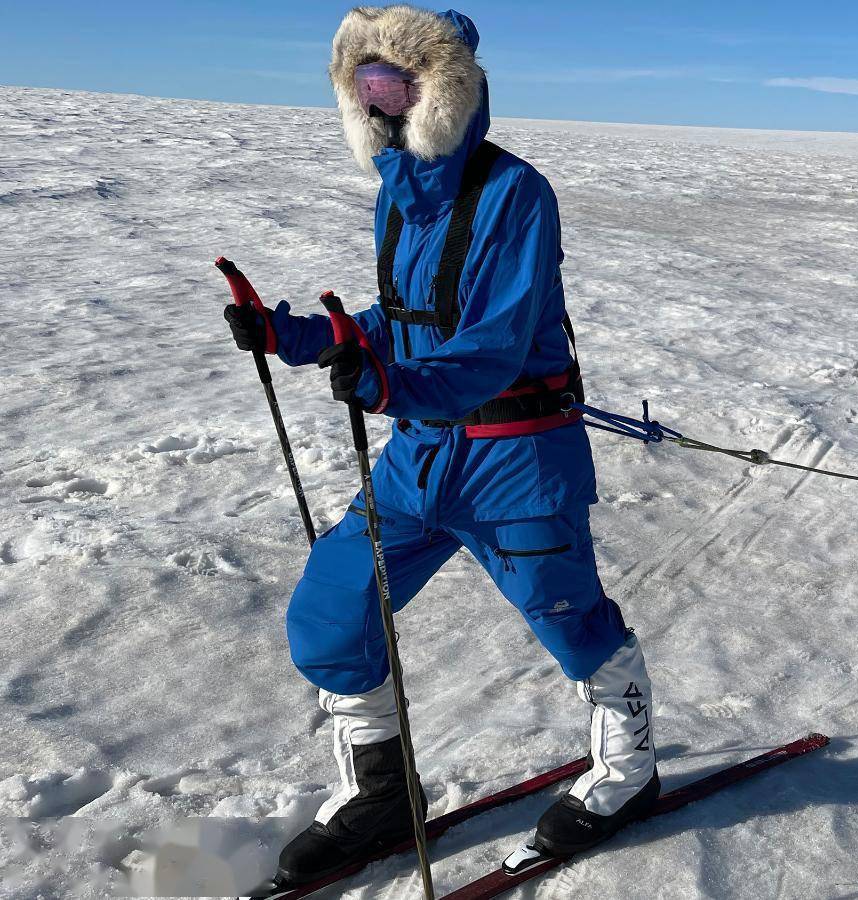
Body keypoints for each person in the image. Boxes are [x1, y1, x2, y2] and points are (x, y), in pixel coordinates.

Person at [224, 5, 658, 888]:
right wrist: (302, 337)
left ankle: (629, 772)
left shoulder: (516, 193)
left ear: (444, 93)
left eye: (398, 84)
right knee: (331, 611)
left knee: (574, 626)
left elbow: (495, 341)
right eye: (366, 86)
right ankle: (382, 795)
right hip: (420, 458)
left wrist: (391, 386)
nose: (381, 105)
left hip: (516, 463)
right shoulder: (399, 195)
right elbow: (404, 319)